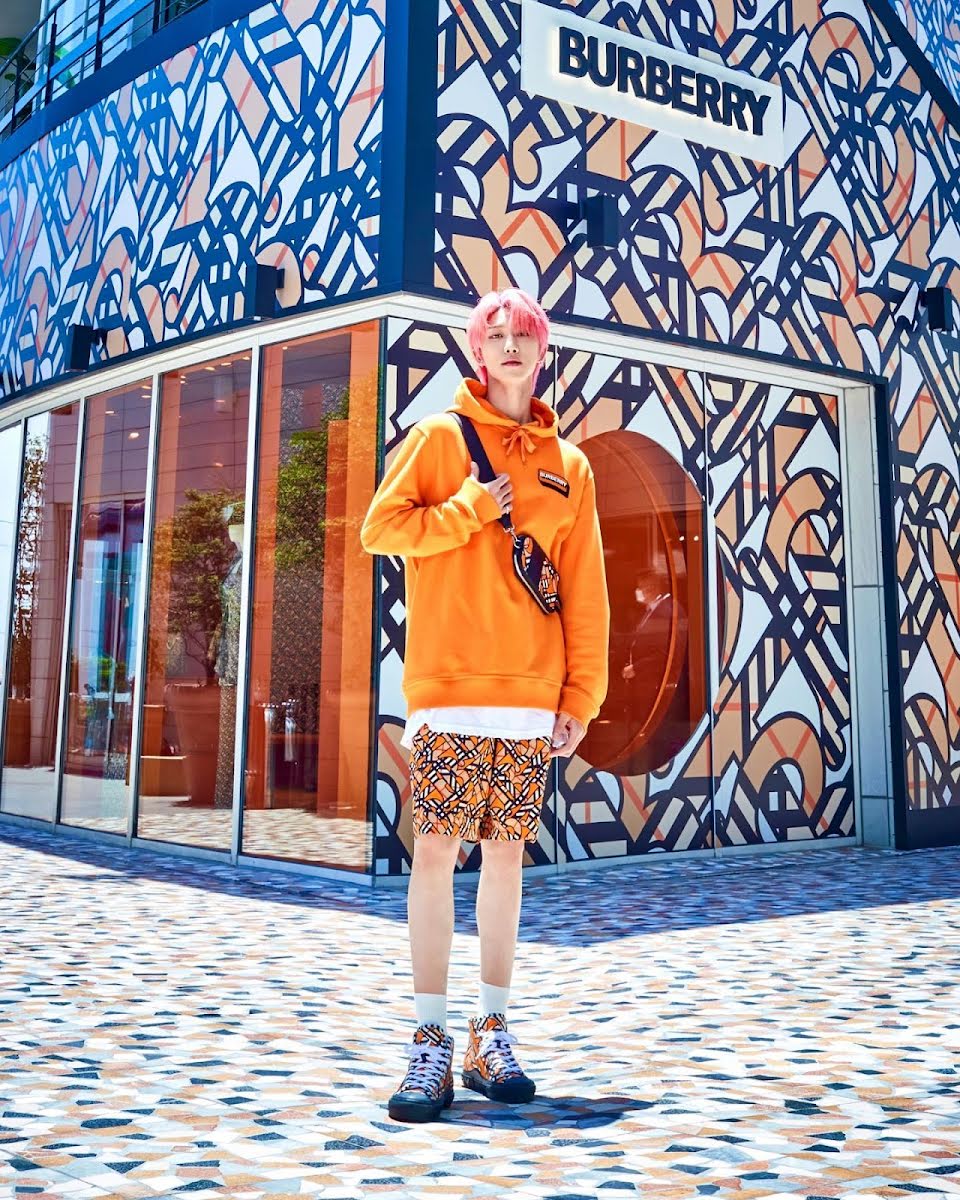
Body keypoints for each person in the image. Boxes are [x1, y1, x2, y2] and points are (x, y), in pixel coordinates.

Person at [360, 288, 610, 1123]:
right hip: (448, 688)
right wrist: (469, 509)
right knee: (436, 850)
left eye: (523, 335)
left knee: (506, 858)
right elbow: (379, 530)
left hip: (531, 698)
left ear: (542, 352)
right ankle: (430, 1039)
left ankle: (490, 1033)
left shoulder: (570, 465)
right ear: (477, 352)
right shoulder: (438, 438)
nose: (509, 346)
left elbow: (586, 591)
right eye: (494, 335)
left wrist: (581, 694)